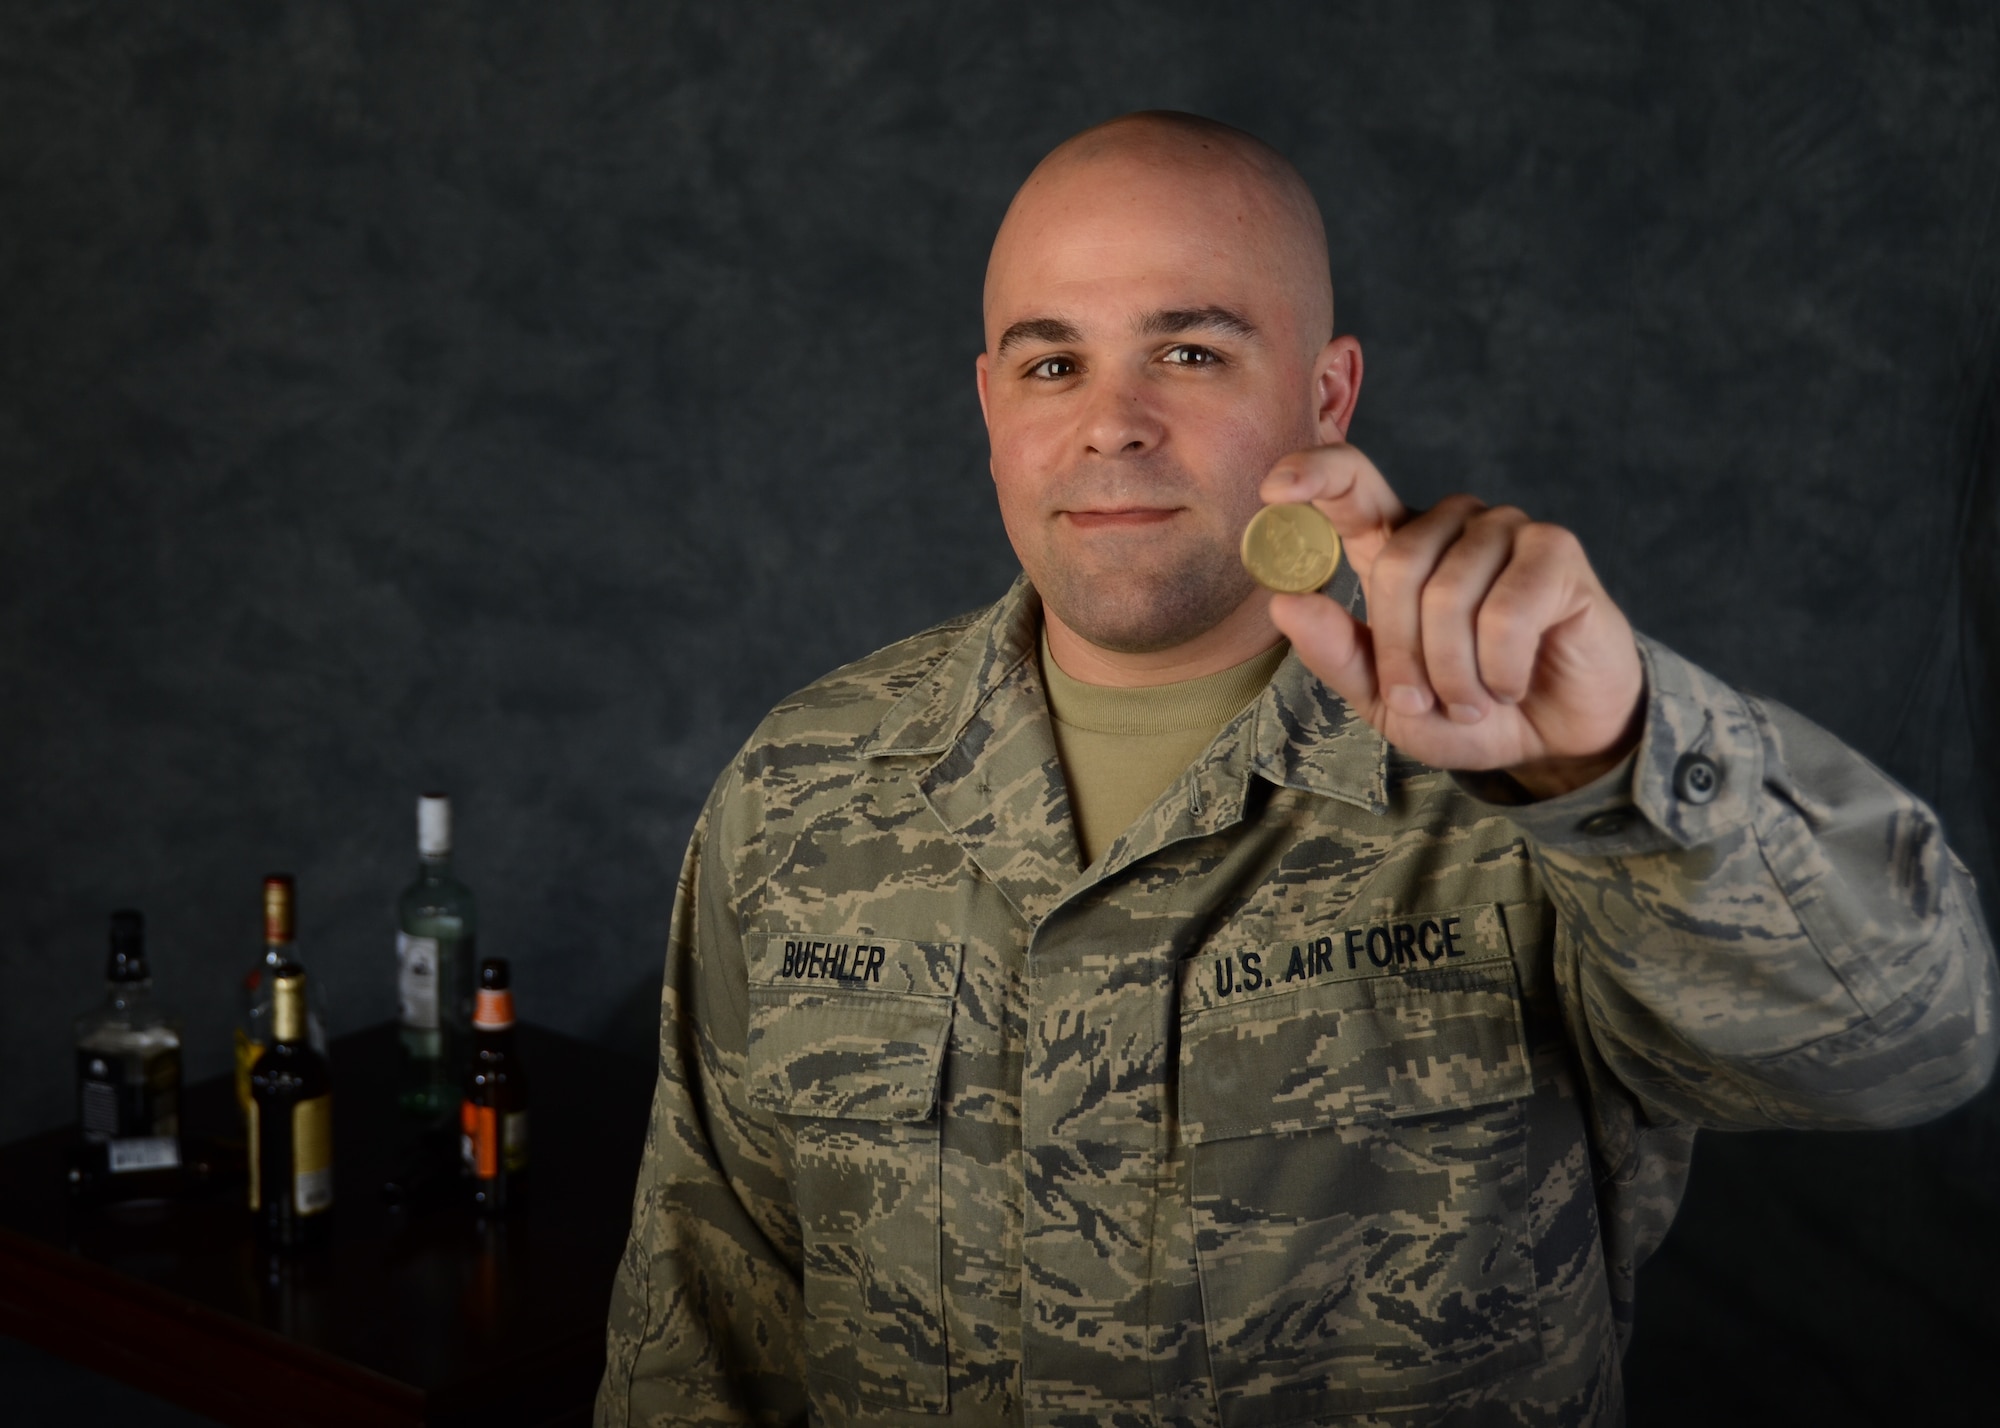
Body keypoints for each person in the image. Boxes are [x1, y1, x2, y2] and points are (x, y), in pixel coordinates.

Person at [595, 112, 1998, 1427]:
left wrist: (1626, 761)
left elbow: (1907, 1048)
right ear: (987, 402)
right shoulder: (805, 787)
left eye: (1190, 354)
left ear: (1326, 396)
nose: (1111, 422)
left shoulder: (1540, 772)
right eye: (1051, 361)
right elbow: (702, 1317)